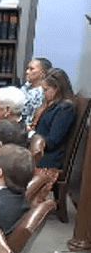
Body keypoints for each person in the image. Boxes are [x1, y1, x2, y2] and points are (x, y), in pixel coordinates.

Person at [29, 68, 76, 205]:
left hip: (48, 159)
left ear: (57, 89)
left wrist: (32, 136)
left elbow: (52, 141)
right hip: (40, 152)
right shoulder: (52, 105)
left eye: (46, 90)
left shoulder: (64, 109)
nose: (43, 94)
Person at [19, 57, 52, 126]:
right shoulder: (26, 86)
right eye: (27, 68)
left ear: (43, 72)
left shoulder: (43, 92)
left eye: (31, 69)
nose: (27, 72)